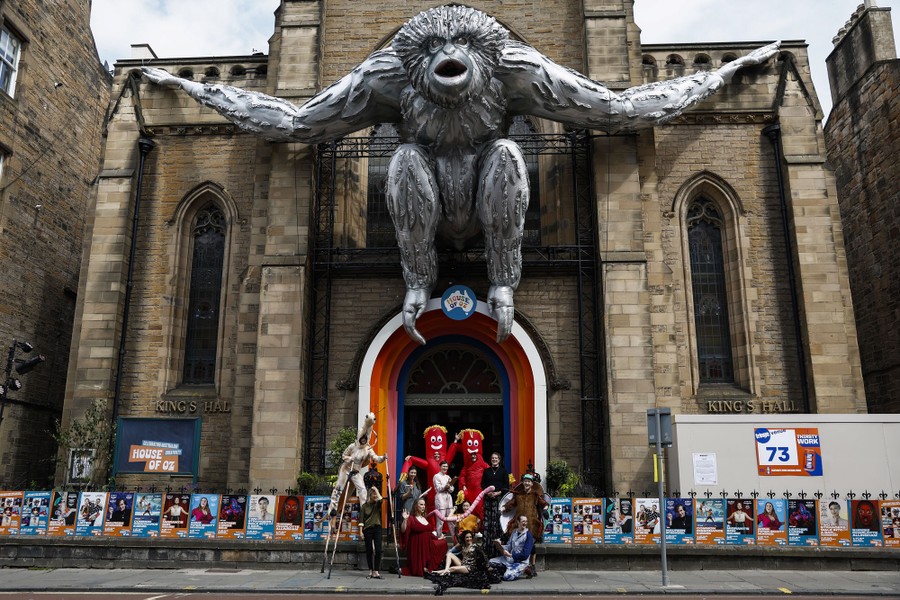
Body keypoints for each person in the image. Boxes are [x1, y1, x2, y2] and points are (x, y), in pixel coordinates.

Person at [400, 497, 448, 577]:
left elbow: (429, 533)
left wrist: (438, 538)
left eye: (424, 505)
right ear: (416, 506)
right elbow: (403, 530)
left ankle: (430, 567)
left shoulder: (425, 518)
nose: (423, 506)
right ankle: (423, 568)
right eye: (421, 504)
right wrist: (405, 520)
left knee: (443, 543)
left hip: (427, 544)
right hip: (417, 545)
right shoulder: (411, 518)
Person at [480, 452, 509, 556]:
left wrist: (498, 493)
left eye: (496, 458)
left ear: (499, 459)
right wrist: (488, 493)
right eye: (492, 458)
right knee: (488, 523)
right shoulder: (486, 471)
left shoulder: (503, 471)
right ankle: (487, 549)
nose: (494, 459)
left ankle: (499, 549)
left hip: (498, 500)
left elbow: (506, 486)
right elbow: (482, 484)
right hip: (488, 500)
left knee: (498, 522)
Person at [489, 514, 534, 581]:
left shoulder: (528, 535)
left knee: (507, 577)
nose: (525, 523)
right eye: (523, 521)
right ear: (518, 522)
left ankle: (525, 569)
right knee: (490, 562)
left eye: (526, 521)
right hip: (509, 559)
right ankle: (508, 568)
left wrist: (511, 555)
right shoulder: (514, 532)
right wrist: (500, 545)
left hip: (520, 561)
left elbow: (525, 555)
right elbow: (509, 546)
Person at [360, 486, 384, 579]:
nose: (375, 495)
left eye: (375, 494)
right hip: (367, 529)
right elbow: (361, 520)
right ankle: (370, 570)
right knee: (369, 550)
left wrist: (377, 490)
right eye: (373, 493)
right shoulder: (364, 506)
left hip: (377, 528)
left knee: (378, 550)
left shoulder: (377, 504)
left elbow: (381, 499)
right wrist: (360, 533)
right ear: (369, 495)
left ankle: (376, 571)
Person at [433, 460, 456, 538]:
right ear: (440, 467)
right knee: (440, 520)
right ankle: (439, 536)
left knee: (451, 519)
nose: (445, 468)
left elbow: (452, 489)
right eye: (444, 466)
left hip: (448, 498)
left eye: (446, 466)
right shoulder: (436, 476)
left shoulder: (448, 477)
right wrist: (446, 486)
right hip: (440, 498)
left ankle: (454, 538)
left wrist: (449, 486)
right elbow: (439, 488)